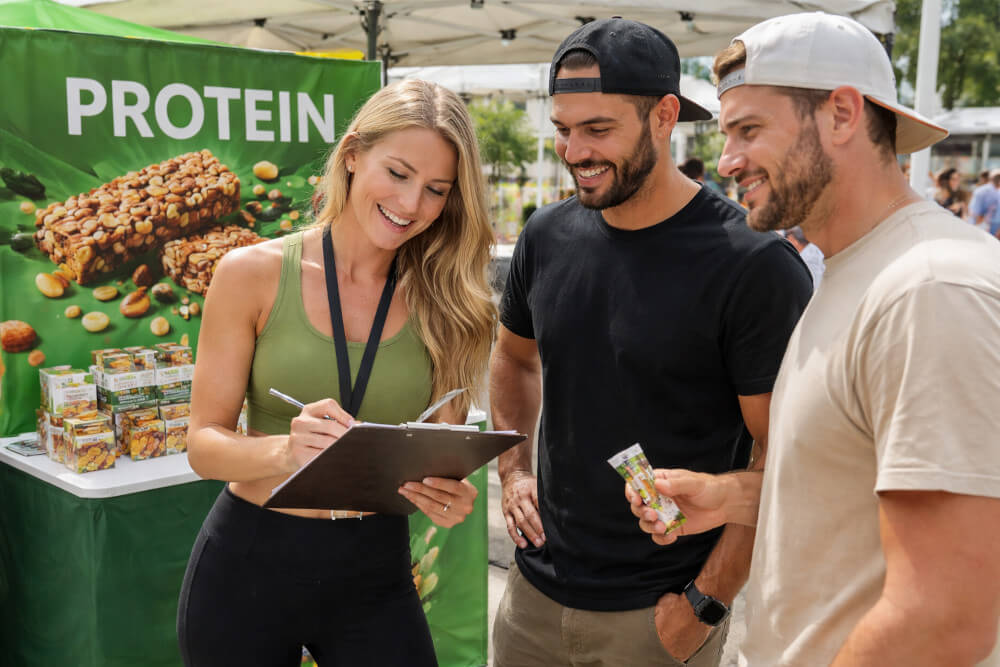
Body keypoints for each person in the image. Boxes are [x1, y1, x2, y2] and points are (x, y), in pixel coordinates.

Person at [628, 13, 1000, 666]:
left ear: (842, 114)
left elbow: (945, 614)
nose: (727, 160)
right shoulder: (852, 269)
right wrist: (731, 496)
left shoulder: (929, 287)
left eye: (748, 130)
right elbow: (856, 485)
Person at [490, 17, 812, 667]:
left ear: (665, 116)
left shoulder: (751, 264)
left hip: (658, 615)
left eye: (598, 129)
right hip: (531, 598)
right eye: (563, 129)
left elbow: (781, 458)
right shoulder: (545, 235)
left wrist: (706, 603)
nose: (574, 150)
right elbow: (513, 357)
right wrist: (513, 465)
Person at [176, 79, 497, 667]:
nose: (410, 204)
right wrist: (288, 452)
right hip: (250, 561)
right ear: (352, 155)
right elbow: (203, 445)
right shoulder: (250, 273)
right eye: (397, 173)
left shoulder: (450, 304)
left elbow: (437, 454)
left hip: (376, 567)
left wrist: (445, 494)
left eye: (436, 190)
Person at [970, 168, 1000, 235]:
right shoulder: (981, 191)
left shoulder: (998, 192)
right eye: (997, 177)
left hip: (996, 231)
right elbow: (975, 212)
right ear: (991, 178)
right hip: (982, 230)